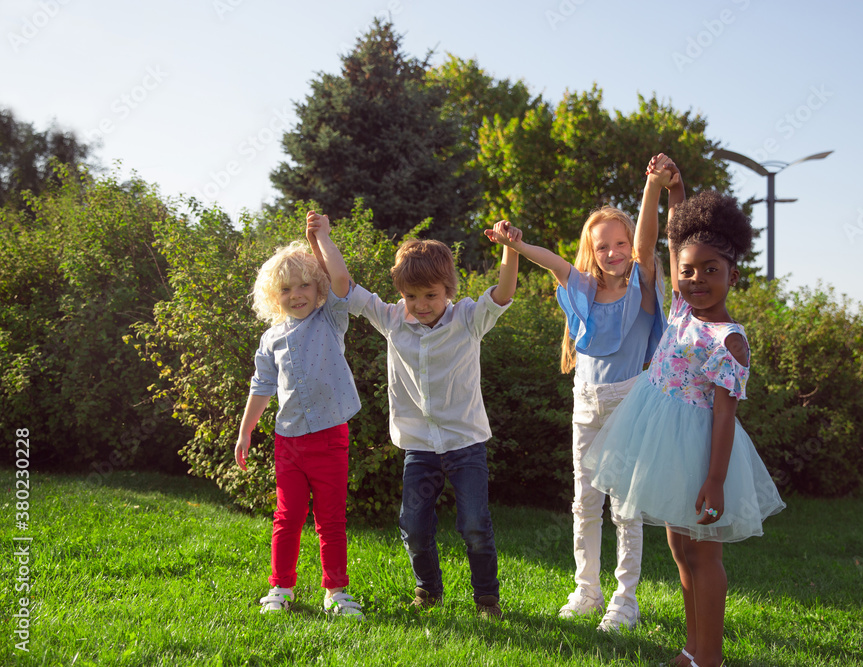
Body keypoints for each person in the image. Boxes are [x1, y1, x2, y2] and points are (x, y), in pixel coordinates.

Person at [581, 176, 786, 667]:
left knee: (704, 554)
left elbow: (724, 415)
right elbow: (677, 238)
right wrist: (676, 190)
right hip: (665, 447)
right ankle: (692, 649)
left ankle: (709, 658)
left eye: (709, 271)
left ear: (733, 277)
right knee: (680, 548)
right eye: (688, 272)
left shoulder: (727, 339)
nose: (695, 279)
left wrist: (715, 482)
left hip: (700, 455)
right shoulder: (681, 306)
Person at [484, 153, 681, 631]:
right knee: (584, 501)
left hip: (629, 402)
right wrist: (518, 244)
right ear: (591, 251)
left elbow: (647, 239)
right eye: (603, 245)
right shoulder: (586, 293)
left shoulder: (642, 283)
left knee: (625, 506)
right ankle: (586, 589)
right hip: (586, 402)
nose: (613, 251)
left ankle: (624, 599)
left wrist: (652, 186)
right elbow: (553, 263)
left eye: (619, 242)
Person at [307, 212, 519, 620]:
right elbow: (343, 286)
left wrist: (510, 250)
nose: (421, 306)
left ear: (448, 290)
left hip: (465, 443)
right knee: (414, 525)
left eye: (431, 296)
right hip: (419, 447)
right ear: (401, 294)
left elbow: (504, 293)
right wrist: (323, 239)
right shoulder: (391, 320)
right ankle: (428, 590)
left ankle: (487, 600)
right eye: (411, 297)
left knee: (474, 524)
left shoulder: (468, 320)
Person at [234, 223, 364, 618]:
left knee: (330, 518)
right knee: (287, 517)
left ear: (317, 289)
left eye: (303, 286)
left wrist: (318, 239)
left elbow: (341, 278)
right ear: (275, 297)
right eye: (286, 289)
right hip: (288, 441)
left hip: (329, 437)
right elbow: (262, 386)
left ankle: (336, 592)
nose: (296, 295)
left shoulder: (330, 319)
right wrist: (245, 431)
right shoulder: (271, 338)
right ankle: (281, 588)